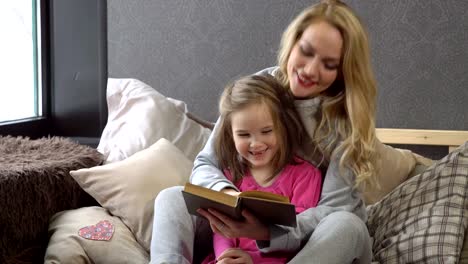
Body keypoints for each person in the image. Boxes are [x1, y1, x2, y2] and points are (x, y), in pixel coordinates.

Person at [151, 0, 379, 263]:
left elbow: (331, 212)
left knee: (347, 224)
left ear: (343, 71)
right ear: (292, 44)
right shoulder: (258, 89)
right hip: (240, 233)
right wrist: (228, 199)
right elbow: (206, 163)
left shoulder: (344, 122)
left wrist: (266, 232)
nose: (310, 70)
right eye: (305, 51)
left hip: (315, 243)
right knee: (170, 198)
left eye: (329, 64)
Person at [200, 75, 322, 264]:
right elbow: (222, 230)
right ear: (230, 135)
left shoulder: (305, 177)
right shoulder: (230, 177)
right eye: (243, 134)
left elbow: (298, 239)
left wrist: (252, 260)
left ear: (283, 128)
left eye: (266, 131)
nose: (256, 144)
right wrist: (225, 256)